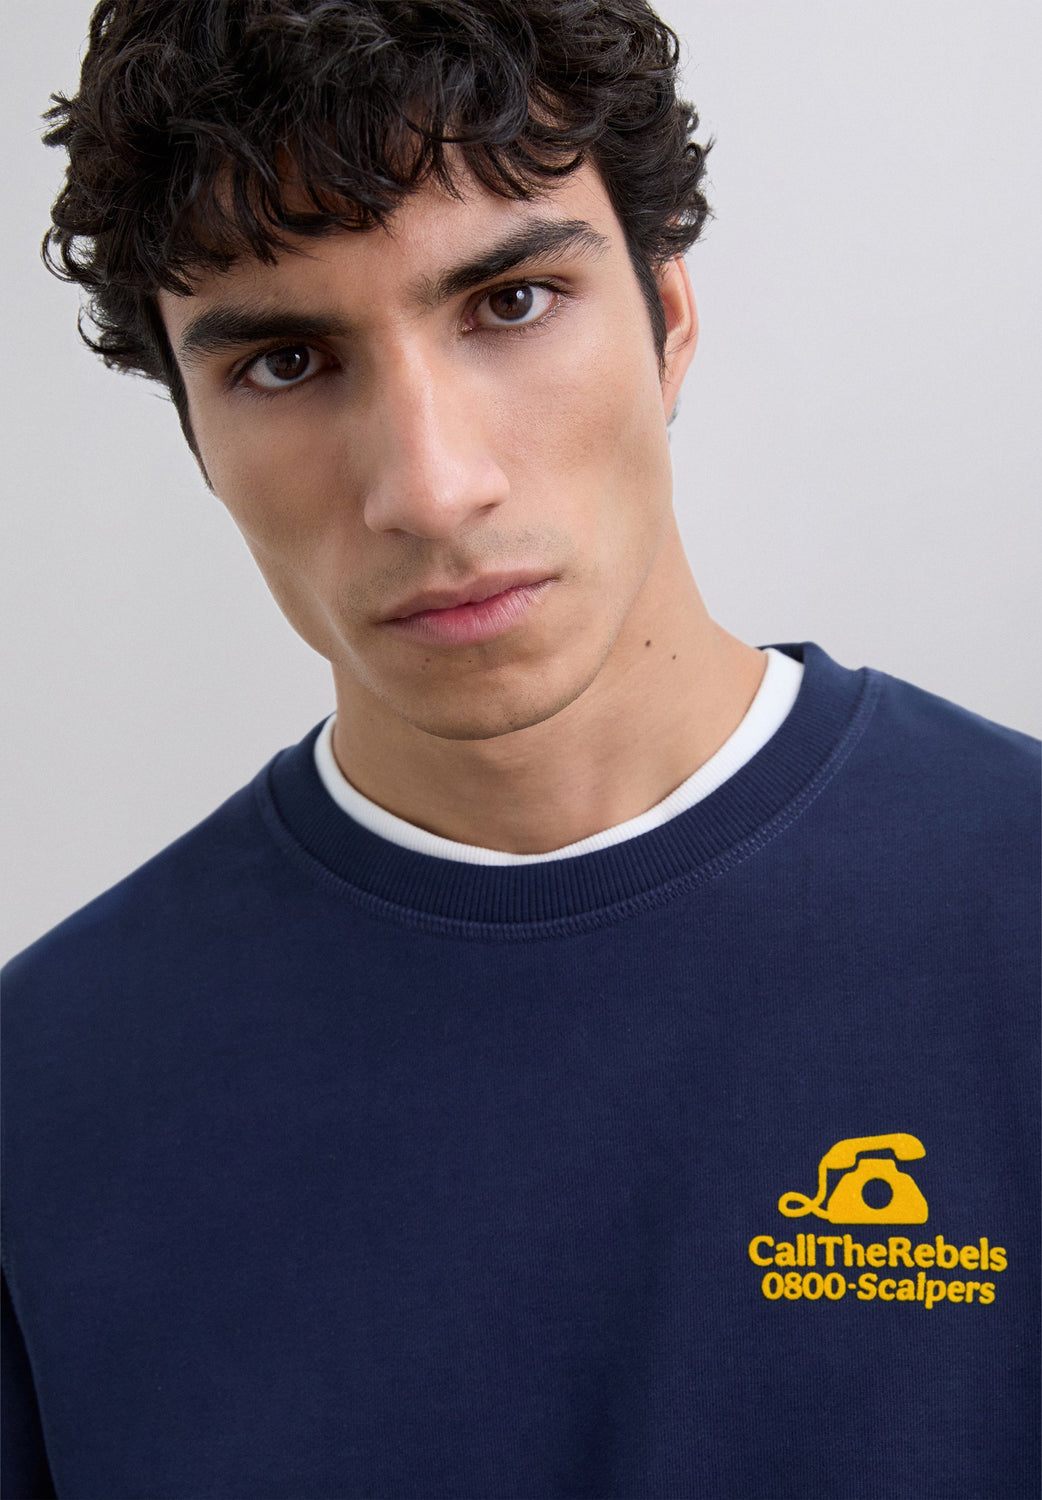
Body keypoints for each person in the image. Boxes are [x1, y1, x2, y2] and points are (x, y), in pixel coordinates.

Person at [2, 1, 1037, 1495]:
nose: (429, 487)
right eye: (285, 362)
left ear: (670, 321)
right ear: (196, 442)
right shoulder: (41, 1100)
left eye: (511, 302)